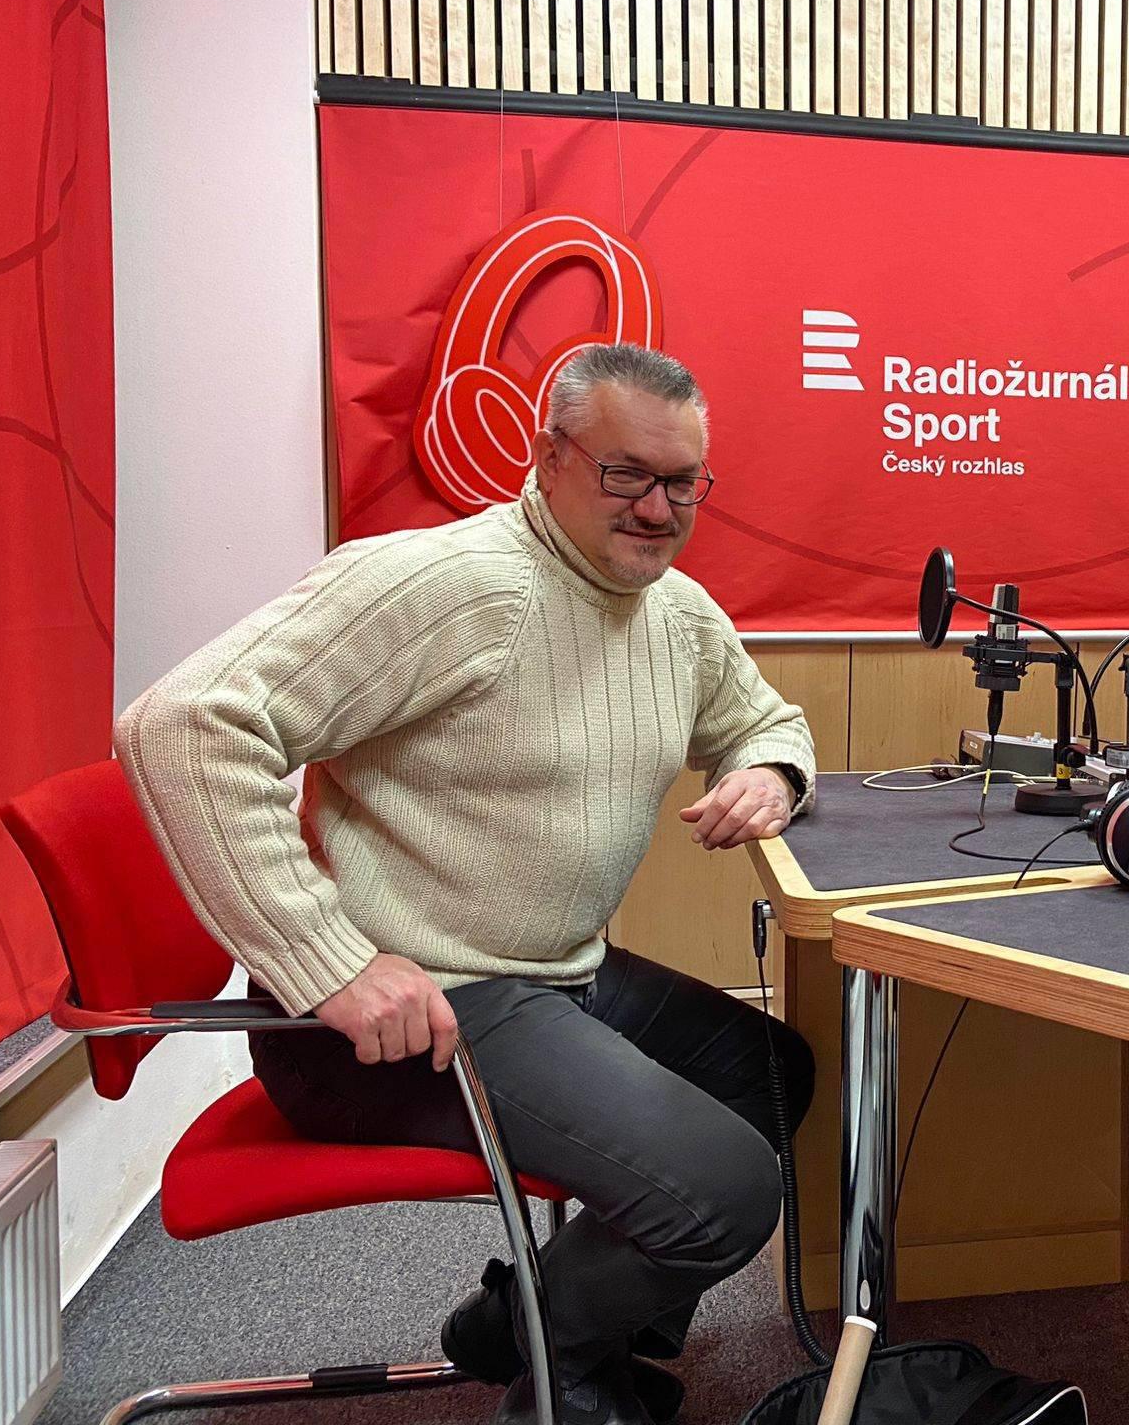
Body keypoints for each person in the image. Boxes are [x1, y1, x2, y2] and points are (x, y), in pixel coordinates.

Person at [117, 343, 818, 1425]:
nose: (658, 509)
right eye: (626, 474)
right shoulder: (446, 585)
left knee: (771, 1074)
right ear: (549, 455)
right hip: (389, 1021)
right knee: (725, 1193)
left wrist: (769, 771)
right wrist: (330, 964)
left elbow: (764, 719)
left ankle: (546, 1332)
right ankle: (549, 1354)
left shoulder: (674, 613)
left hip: (547, 977)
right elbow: (181, 726)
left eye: (683, 483)